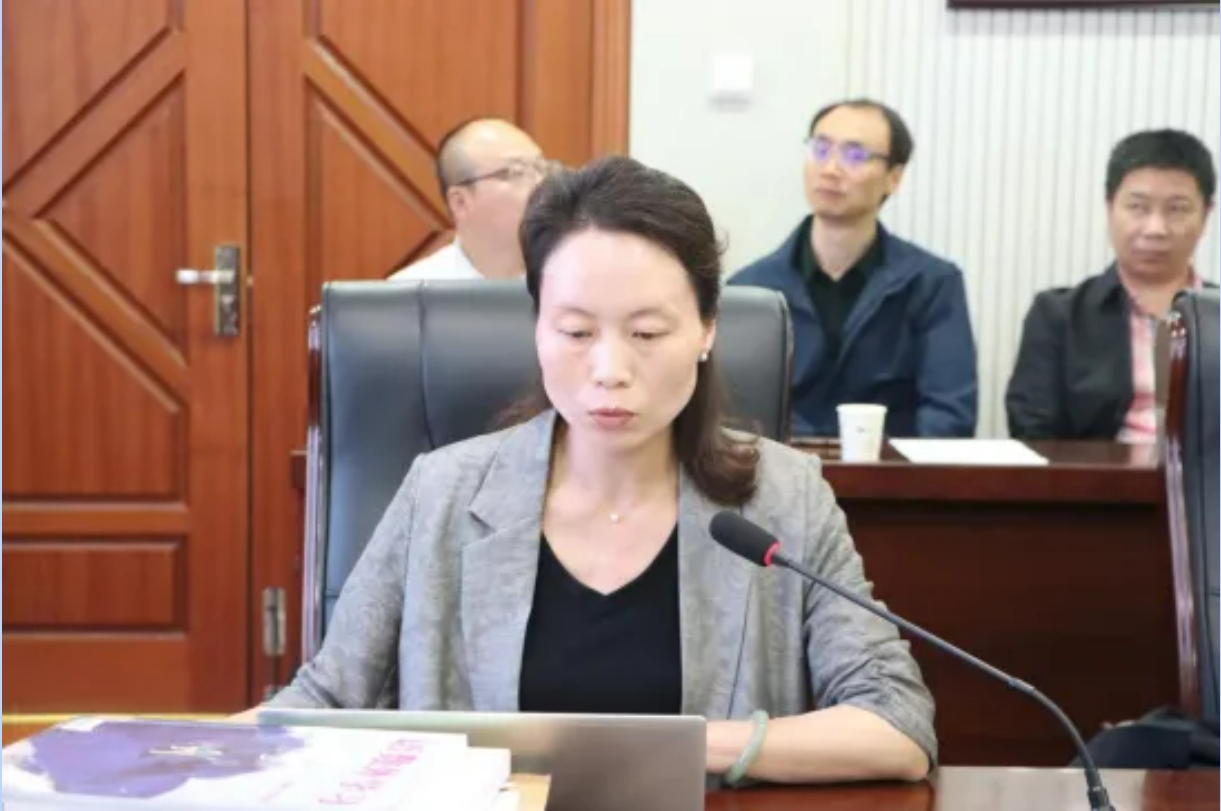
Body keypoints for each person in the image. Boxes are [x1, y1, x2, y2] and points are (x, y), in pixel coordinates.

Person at [253, 156, 936, 786]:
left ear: (706, 329)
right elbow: (321, 702)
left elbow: (897, 723)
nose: (609, 370)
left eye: (646, 333)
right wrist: (197, 754)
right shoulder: (443, 491)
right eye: (576, 332)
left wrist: (684, 745)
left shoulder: (783, 497)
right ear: (537, 327)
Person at [729, 99, 976, 439]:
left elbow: (950, 413)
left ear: (893, 177)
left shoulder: (931, 283)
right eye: (820, 148)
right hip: (782, 467)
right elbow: (736, 414)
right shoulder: (750, 290)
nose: (830, 169)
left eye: (854, 155)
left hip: (895, 468)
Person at [1006, 129, 1216, 441]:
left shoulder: (1215, 313)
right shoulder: (1059, 316)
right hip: (1096, 474)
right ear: (1110, 207)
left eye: (1177, 209)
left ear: (1206, 214)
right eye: (1138, 207)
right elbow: (1032, 431)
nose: (1156, 228)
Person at [388, 117, 550, 281]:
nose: (541, 182)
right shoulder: (413, 289)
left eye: (542, 168)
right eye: (517, 172)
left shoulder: (564, 281)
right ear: (460, 202)